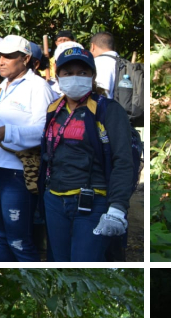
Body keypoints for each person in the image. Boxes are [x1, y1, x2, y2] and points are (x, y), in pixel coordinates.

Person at [39, 46, 134, 262]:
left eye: (82, 73)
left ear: (93, 76)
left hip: (92, 202)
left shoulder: (108, 110)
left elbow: (123, 161)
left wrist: (118, 207)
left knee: (84, 266)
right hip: (54, 201)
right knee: (60, 267)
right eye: (68, 73)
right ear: (58, 76)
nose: (75, 78)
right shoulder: (54, 109)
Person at [0, 36, 57, 262]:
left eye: (8, 56)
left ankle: (31, 288)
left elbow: (47, 130)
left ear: (25, 58)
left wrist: (9, 132)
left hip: (18, 174)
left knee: (18, 240)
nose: (1, 61)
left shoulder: (39, 87)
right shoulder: (1, 89)